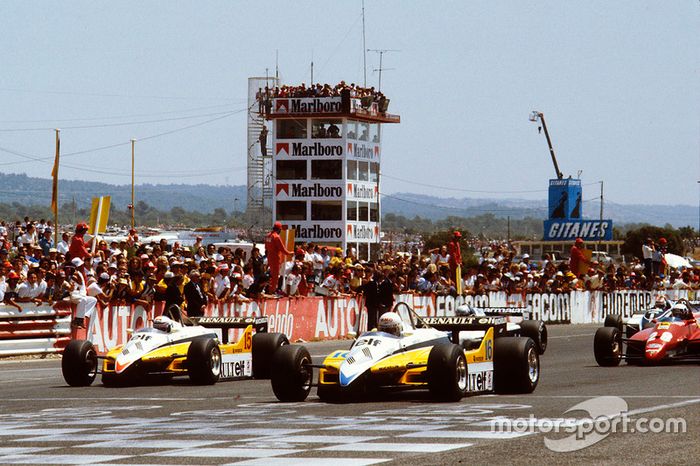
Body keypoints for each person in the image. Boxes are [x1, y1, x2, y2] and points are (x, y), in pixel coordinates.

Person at [264, 222, 292, 293]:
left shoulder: (267, 236)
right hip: (276, 258)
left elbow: (266, 247)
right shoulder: (276, 237)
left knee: (272, 275)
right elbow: (283, 249)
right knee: (275, 276)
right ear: (279, 229)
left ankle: (269, 290)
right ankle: (272, 291)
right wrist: (290, 253)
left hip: (269, 257)